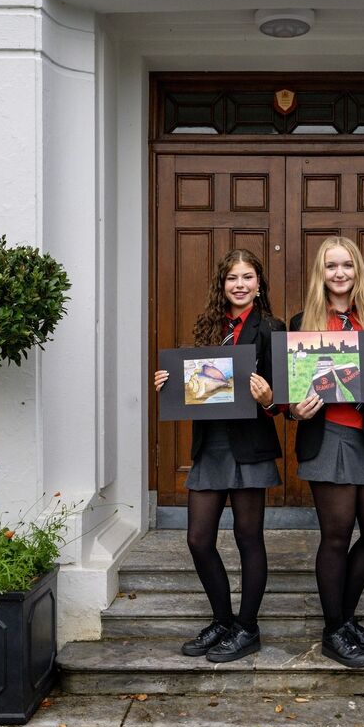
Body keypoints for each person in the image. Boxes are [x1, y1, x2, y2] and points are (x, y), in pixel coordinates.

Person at [153, 249, 284, 663]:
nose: (240, 284)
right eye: (232, 278)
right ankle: (223, 619)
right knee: (198, 538)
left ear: (259, 284)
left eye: (247, 277)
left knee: (249, 539)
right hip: (211, 446)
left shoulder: (271, 330)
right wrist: (169, 383)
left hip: (250, 447)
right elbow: (200, 387)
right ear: (222, 285)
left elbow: (283, 399)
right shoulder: (209, 327)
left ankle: (248, 628)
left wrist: (269, 398)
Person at [288, 237, 364, 668]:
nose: (339, 273)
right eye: (331, 266)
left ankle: (344, 618)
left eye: (347, 266)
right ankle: (335, 629)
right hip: (329, 436)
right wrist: (294, 409)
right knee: (336, 537)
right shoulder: (303, 322)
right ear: (321, 274)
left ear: (358, 271)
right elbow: (289, 389)